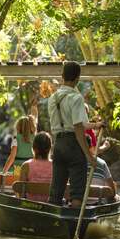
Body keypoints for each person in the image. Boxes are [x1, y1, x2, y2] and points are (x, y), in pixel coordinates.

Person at [47, 61, 104, 207]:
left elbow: (80, 124)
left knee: (56, 190)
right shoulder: (76, 98)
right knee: (77, 190)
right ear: (78, 78)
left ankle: (54, 223)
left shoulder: (52, 98)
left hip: (58, 145)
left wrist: (96, 125)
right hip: (74, 145)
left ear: (62, 76)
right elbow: (78, 128)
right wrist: (89, 156)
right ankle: (74, 223)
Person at [2, 99, 38, 173]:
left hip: (19, 170)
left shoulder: (16, 140)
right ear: (31, 126)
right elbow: (35, 118)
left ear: (18, 127)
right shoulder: (35, 138)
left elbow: (11, 158)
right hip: (32, 170)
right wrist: (34, 107)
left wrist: (4, 172)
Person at [20, 131, 53, 202]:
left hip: (29, 204)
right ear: (50, 148)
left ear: (34, 147)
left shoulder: (26, 165)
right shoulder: (55, 166)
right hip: (49, 205)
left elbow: (20, 192)